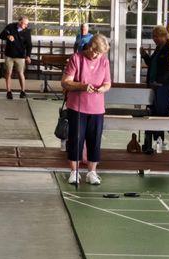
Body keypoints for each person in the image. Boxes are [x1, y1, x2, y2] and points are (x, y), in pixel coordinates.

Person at [61, 33, 111, 185]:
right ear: (89, 47)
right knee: (76, 139)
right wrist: (82, 86)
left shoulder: (104, 61)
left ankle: (92, 172)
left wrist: (103, 88)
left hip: (97, 108)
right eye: (96, 52)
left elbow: (108, 83)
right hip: (77, 107)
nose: (97, 56)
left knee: (94, 141)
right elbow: (65, 82)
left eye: (100, 53)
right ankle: (74, 172)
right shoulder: (76, 58)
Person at [140, 25, 169, 154]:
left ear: (163, 36)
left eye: (156, 36)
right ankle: (160, 138)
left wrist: (160, 82)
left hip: (167, 84)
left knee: (158, 110)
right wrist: (145, 56)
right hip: (155, 85)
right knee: (155, 111)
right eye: (153, 37)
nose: (154, 39)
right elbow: (152, 64)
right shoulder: (158, 48)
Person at [0, 16, 32, 99]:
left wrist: (28, 56)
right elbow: (1, 35)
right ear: (20, 22)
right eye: (24, 24)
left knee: (21, 73)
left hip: (20, 56)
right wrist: (8, 36)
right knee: (8, 73)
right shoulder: (10, 26)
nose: (26, 26)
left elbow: (29, 45)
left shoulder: (27, 31)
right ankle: (9, 92)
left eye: (27, 24)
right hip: (9, 55)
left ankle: (23, 91)